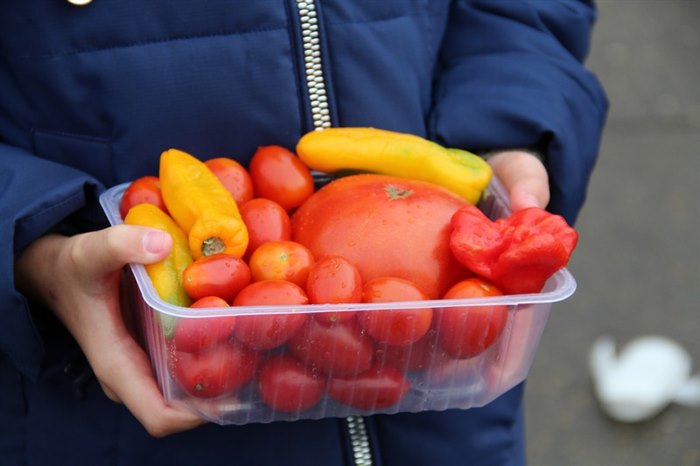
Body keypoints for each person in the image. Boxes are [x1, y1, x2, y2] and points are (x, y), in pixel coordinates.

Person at [0, 1, 607, 465]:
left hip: (443, 411)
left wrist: (511, 118)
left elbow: (523, 13)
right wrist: (31, 243)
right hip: (96, 408)